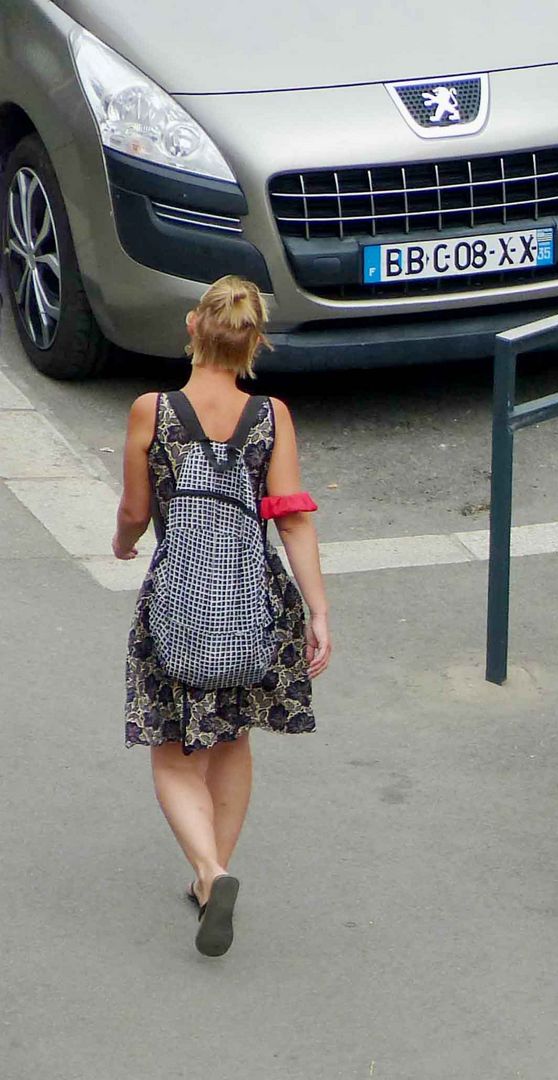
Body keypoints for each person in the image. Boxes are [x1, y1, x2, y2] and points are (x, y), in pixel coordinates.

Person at [113, 275, 331, 957]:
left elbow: (135, 513)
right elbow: (292, 521)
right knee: (234, 738)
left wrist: (122, 545)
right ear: (253, 342)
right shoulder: (272, 417)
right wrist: (319, 611)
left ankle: (209, 874)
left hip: (179, 599)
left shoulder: (153, 409)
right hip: (252, 601)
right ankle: (215, 877)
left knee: (175, 752)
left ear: (191, 327)